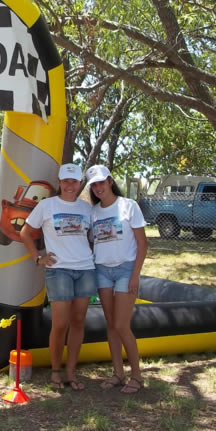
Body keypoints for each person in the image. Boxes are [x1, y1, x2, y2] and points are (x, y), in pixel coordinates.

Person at [20, 163, 96, 391]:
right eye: (66, 181)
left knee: (78, 322)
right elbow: (25, 232)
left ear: (79, 183)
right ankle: (55, 371)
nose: (70, 186)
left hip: (85, 270)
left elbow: (92, 237)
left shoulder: (88, 209)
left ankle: (71, 372)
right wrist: (38, 258)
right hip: (58, 270)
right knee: (60, 323)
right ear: (59, 183)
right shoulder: (46, 206)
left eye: (75, 181)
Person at [87, 164, 148, 394]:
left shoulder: (128, 206)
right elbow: (91, 241)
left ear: (110, 181)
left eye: (101, 182)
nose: (98, 188)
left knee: (122, 324)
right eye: (94, 185)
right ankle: (117, 373)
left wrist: (135, 275)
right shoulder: (93, 213)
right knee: (111, 326)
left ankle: (137, 376)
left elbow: (142, 244)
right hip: (102, 270)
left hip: (125, 270)